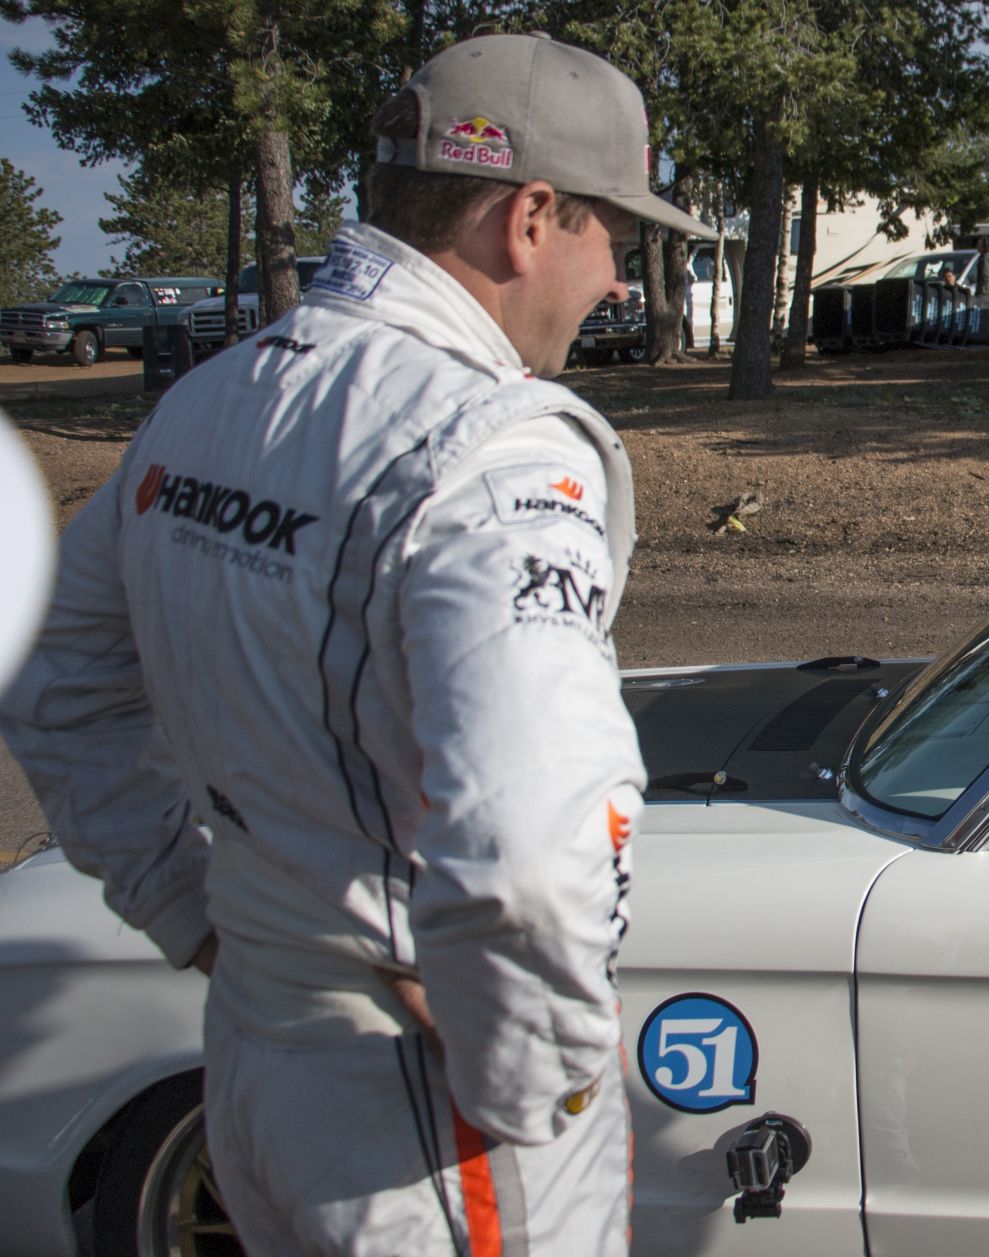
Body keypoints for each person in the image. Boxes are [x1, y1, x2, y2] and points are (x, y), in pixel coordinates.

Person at [0, 34, 713, 1255]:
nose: (615, 282)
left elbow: (56, 684)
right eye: (617, 239)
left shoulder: (210, 398)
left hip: (257, 1060)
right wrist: (533, 1090)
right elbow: (536, 841)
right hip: (428, 1110)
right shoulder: (494, 446)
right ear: (530, 218)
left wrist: (198, 916)